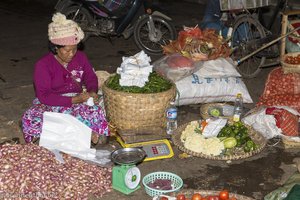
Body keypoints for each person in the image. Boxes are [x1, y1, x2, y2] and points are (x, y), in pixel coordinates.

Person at [22, 13, 110, 145]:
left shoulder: (80, 57)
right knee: (31, 116)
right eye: (67, 51)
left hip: (77, 99)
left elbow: (90, 77)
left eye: (74, 50)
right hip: (51, 102)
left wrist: (92, 92)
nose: (72, 54)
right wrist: (74, 100)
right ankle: (78, 132)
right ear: (55, 48)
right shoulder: (43, 65)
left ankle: (66, 134)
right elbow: (44, 95)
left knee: (94, 110)